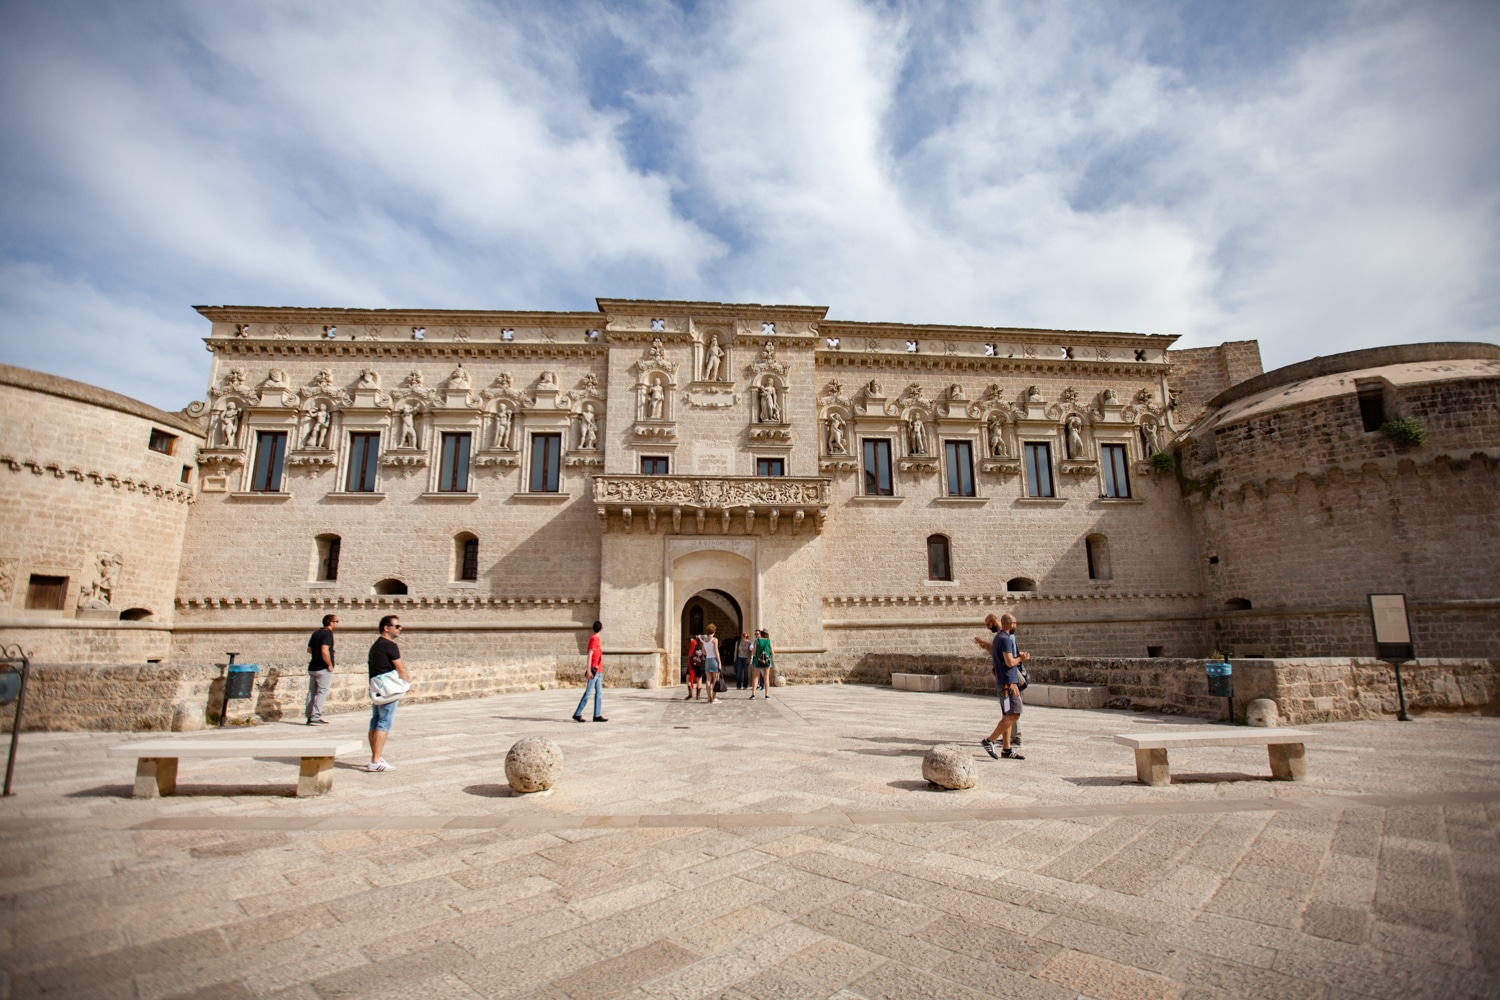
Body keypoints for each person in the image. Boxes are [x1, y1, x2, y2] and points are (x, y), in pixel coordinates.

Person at [974, 613, 1028, 759]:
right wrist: (1021, 658)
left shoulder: (998, 638)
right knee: (1015, 713)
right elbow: (1010, 662)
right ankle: (989, 740)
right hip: (1009, 683)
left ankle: (1006, 749)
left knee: (1006, 713)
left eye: (988, 624)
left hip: (1002, 681)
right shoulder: (1006, 639)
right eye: (1015, 623)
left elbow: (998, 655)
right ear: (1011, 624)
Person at [367, 615, 409, 771]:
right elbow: (401, 668)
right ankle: (376, 760)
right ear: (386, 628)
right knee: (384, 723)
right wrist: (406, 684)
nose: (400, 629)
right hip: (389, 690)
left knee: (376, 722)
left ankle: (376, 757)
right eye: (397, 626)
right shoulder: (390, 645)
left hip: (378, 689)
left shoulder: (376, 645)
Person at [572, 620, 607, 722]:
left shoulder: (597, 639)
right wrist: (588, 670)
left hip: (598, 671)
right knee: (588, 693)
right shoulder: (594, 639)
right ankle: (577, 713)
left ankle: (597, 715)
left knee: (599, 693)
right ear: (601, 629)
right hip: (593, 671)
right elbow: (590, 654)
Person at [305, 613, 337, 725]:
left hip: (313, 666)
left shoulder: (316, 633)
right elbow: (324, 650)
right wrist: (329, 664)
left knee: (311, 692)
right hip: (323, 668)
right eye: (336, 621)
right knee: (322, 692)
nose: (337, 624)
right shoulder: (328, 634)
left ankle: (309, 716)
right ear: (331, 623)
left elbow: (309, 649)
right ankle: (316, 716)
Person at [750, 629, 774, 698]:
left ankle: (753, 694)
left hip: (758, 661)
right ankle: (766, 695)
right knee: (766, 678)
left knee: (756, 677)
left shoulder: (757, 641)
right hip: (767, 661)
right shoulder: (769, 641)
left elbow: (753, 652)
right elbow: (772, 652)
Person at [701, 623, 722, 703]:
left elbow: (703, 651)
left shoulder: (704, 640)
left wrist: (708, 654)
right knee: (715, 679)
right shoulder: (714, 640)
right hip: (714, 659)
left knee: (708, 680)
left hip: (708, 660)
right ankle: (714, 698)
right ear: (714, 631)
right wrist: (719, 662)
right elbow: (716, 651)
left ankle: (708, 697)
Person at [685, 633, 704, 700]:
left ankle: (690, 693)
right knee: (699, 679)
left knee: (688, 677)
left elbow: (689, 637)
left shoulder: (693, 644)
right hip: (699, 664)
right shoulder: (703, 645)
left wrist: (695, 636)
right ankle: (698, 695)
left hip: (692, 664)